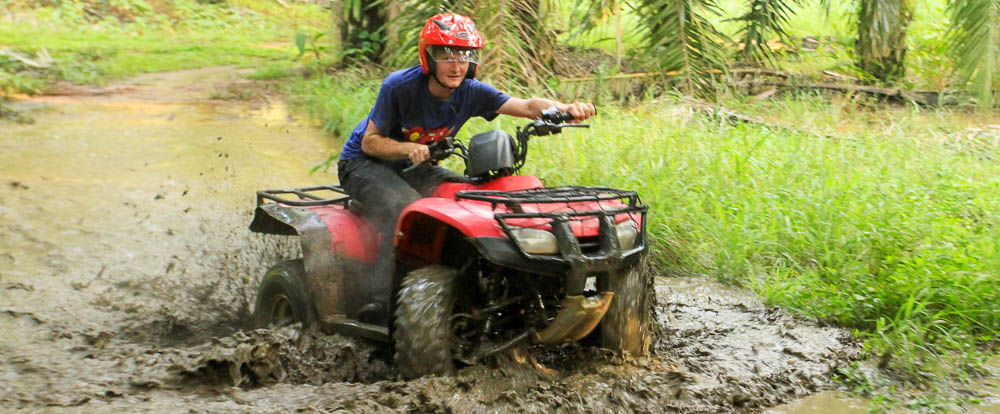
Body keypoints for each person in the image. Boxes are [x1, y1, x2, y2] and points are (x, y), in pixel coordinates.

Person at [336, 12, 595, 291]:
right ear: (429, 57)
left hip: (416, 166)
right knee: (406, 207)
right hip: (362, 164)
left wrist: (565, 109)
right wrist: (410, 148)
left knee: (467, 200)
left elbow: (527, 106)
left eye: (463, 56)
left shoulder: (471, 92)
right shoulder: (399, 86)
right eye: (446, 55)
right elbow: (370, 142)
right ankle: (383, 291)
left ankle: (469, 284)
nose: (456, 66)